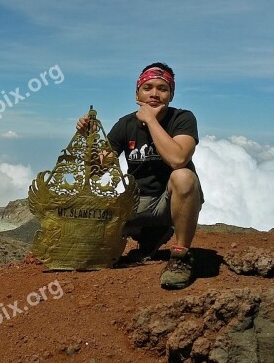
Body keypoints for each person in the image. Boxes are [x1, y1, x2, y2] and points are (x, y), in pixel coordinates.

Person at [76, 62, 203, 289]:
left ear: (171, 94)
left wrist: (151, 120)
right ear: (137, 93)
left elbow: (178, 159)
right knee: (92, 248)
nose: (154, 93)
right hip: (135, 203)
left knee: (183, 176)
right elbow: (97, 170)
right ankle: (151, 235)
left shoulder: (182, 119)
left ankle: (181, 257)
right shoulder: (125, 125)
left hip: (170, 202)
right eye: (148, 87)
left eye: (162, 88)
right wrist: (89, 141)